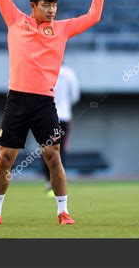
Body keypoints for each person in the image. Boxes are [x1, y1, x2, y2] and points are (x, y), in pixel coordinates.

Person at [0, 0, 112, 225]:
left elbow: (95, 15)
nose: (52, 10)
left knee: (53, 156)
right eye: (46, 5)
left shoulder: (63, 28)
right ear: (33, 6)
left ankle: (63, 212)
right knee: (5, 158)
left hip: (44, 103)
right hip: (16, 99)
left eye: (54, 5)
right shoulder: (15, 20)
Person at [44, 64, 81, 196]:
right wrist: (64, 103)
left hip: (46, 115)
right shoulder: (68, 73)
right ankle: (59, 183)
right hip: (63, 116)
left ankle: (49, 182)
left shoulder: (45, 69)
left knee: (45, 149)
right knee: (60, 150)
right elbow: (75, 95)